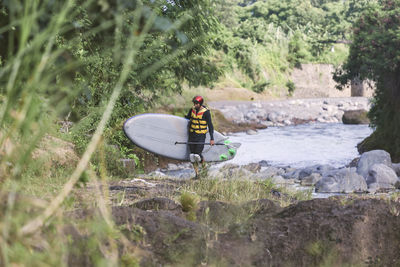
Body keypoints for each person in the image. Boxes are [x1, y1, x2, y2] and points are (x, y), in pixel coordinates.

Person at [185, 95, 214, 179]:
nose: (195, 105)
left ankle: (204, 169)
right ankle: (197, 175)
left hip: (201, 136)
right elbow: (188, 118)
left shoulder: (206, 112)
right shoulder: (192, 110)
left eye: (197, 103)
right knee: (192, 157)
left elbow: (210, 126)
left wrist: (212, 138)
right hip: (192, 135)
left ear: (200, 103)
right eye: (194, 103)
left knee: (197, 155)